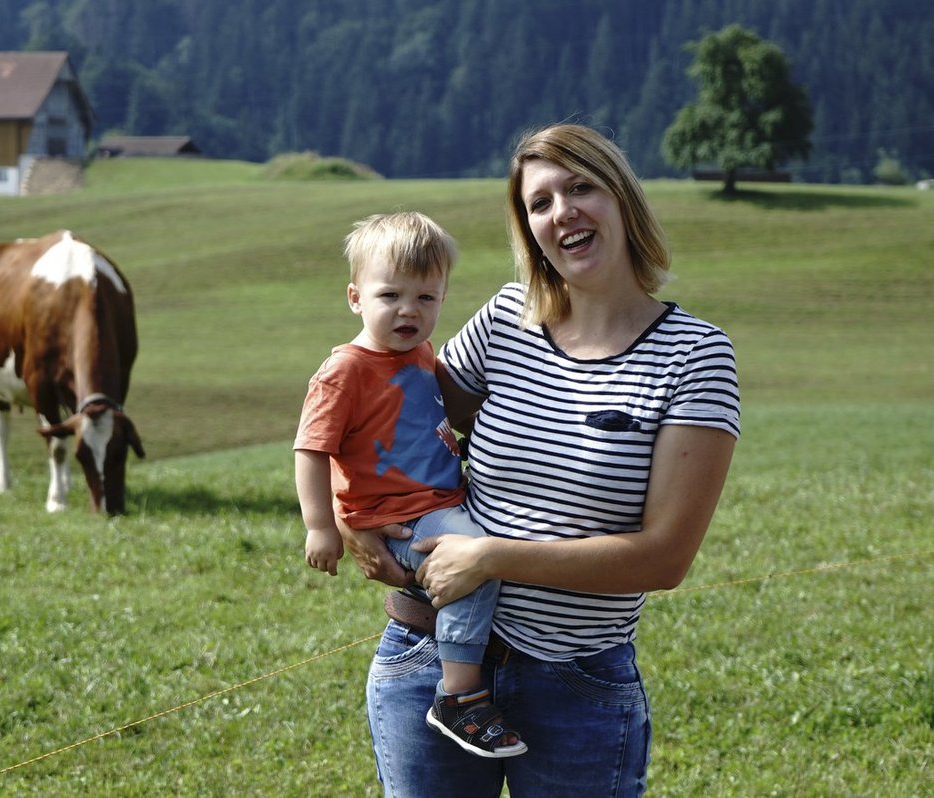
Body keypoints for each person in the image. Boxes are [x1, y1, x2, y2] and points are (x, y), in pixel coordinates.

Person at [338, 124, 741, 797]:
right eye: (540, 203)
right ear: (529, 229)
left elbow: (664, 557)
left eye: (581, 187)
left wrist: (492, 556)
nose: (563, 213)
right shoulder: (504, 320)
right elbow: (386, 419)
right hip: (427, 658)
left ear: (623, 199)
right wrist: (347, 513)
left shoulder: (693, 356)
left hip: (576, 683)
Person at [294, 211, 528, 758]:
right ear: (355, 297)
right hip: (402, 514)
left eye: (427, 298)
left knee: (478, 557)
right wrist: (321, 526)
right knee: (476, 562)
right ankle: (459, 694)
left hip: (440, 501)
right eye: (390, 295)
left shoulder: (423, 354)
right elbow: (311, 449)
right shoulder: (344, 371)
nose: (409, 311)